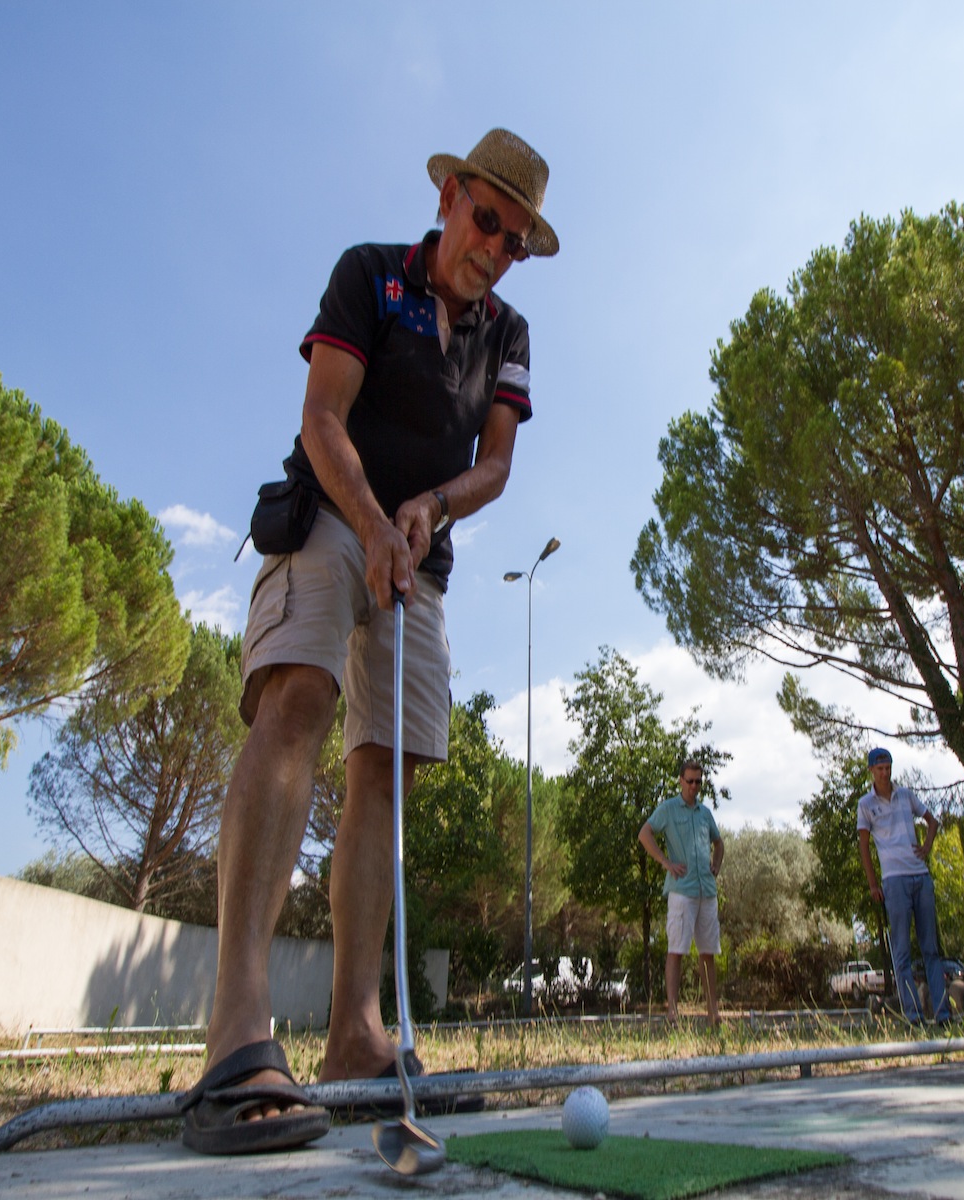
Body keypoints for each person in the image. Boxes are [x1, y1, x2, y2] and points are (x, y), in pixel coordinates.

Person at [179, 129, 559, 1156]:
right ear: (449, 198)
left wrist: (430, 509)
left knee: (385, 767)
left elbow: (496, 466)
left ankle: (355, 1037)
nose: (496, 249)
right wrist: (376, 521)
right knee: (297, 698)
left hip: (418, 551)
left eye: (516, 239)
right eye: (488, 221)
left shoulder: (508, 331)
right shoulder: (367, 276)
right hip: (334, 516)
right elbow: (322, 416)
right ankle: (238, 1035)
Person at [856, 747, 951, 1025]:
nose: (885, 773)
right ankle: (914, 1014)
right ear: (872, 771)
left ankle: (943, 1013)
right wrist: (873, 884)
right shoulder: (866, 804)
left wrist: (926, 846)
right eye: (880, 768)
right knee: (901, 951)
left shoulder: (906, 795)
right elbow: (863, 846)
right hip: (893, 880)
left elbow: (931, 820)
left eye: (888, 768)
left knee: (930, 948)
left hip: (920, 875)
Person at [639, 762, 724, 1025]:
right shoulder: (668, 809)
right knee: (676, 950)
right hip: (681, 890)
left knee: (708, 952)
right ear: (680, 781)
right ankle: (672, 1012)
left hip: (706, 891)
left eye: (698, 782)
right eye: (690, 781)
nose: (694, 786)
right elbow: (645, 834)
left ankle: (713, 1013)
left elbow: (719, 842)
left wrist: (716, 866)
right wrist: (665, 862)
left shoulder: (705, 813)